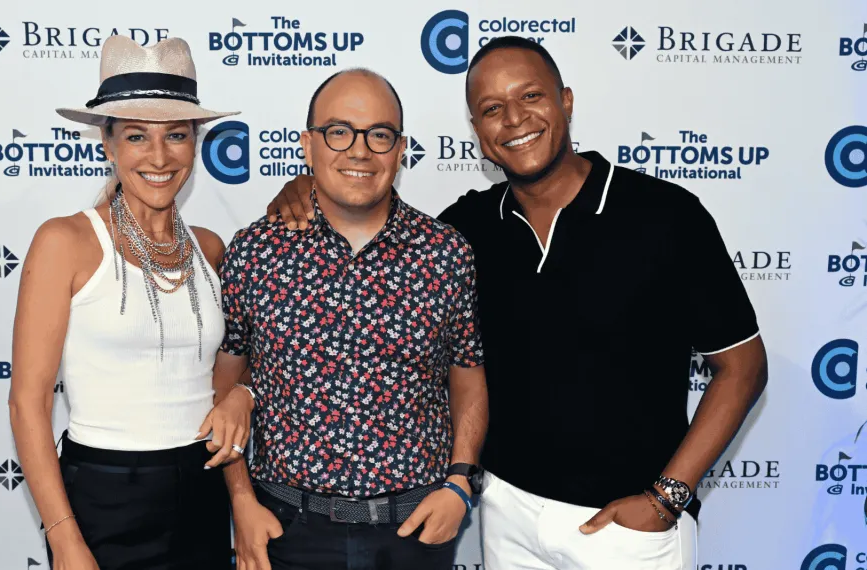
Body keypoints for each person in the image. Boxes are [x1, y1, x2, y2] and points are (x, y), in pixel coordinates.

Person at [266, 36, 769, 570]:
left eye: (530, 97)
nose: (514, 119)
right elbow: (373, 214)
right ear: (479, 135)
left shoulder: (666, 216)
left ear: (565, 102)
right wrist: (307, 189)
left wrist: (667, 498)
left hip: (629, 527)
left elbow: (742, 367)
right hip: (507, 517)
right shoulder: (465, 231)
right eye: (491, 109)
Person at [213, 68, 489, 570]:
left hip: (414, 530)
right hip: (286, 528)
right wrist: (240, 499)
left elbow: (467, 377)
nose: (359, 150)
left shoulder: (445, 253)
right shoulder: (255, 252)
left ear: (400, 149)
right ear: (307, 144)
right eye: (339, 132)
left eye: (379, 134)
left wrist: (460, 481)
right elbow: (226, 383)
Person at [8, 36, 255, 570]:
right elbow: (28, 402)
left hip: (202, 487)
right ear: (108, 142)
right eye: (138, 135)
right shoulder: (65, 242)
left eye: (177, 135)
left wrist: (244, 396)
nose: (160, 157)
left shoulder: (211, 248)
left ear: (196, 143)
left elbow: (233, 372)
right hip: (102, 496)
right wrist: (64, 538)